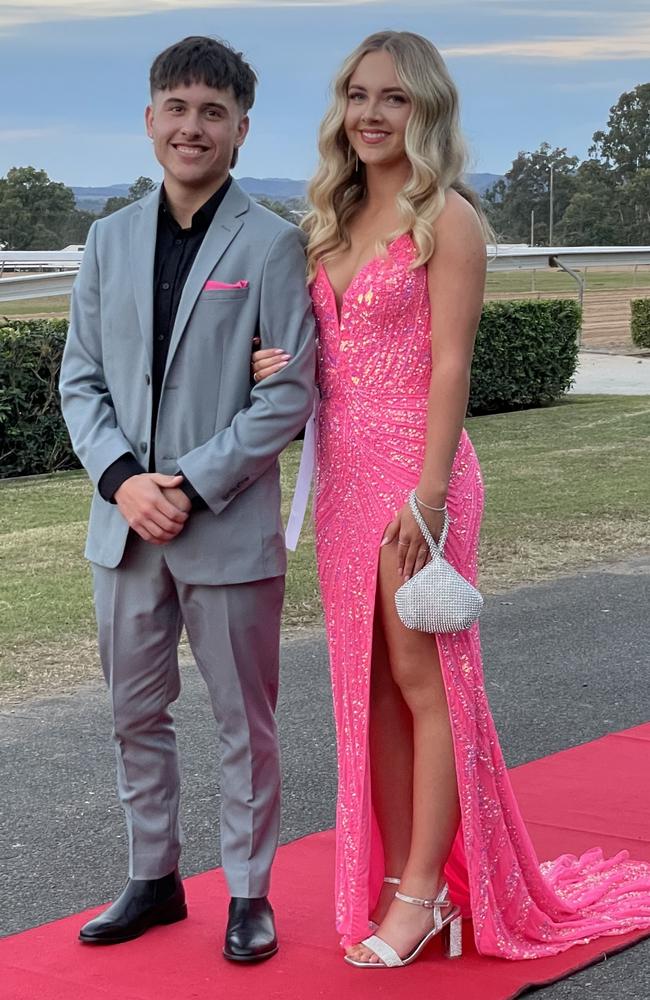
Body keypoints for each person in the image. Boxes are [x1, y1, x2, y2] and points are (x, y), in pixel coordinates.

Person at [252, 30, 650, 968]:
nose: (372, 114)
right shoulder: (331, 219)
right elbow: (331, 360)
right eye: (357, 95)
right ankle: (402, 883)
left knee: (426, 682)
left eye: (393, 97)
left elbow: (450, 364)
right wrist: (284, 367)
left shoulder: (450, 220)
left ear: (426, 108)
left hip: (417, 477)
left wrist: (427, 492)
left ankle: (428, 894)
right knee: (373, 693)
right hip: (344, 478)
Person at [60, 36, 315, 963]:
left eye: (212, 112)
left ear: (242, 128)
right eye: (177, 108)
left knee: (243, 720)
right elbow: (80, 381)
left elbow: (287, 393)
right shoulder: (106, 238)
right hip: (124, 529)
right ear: (150, 120)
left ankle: (249, 891)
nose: (192, 126)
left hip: (228, 526)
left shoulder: (276, 243)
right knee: (135, 711)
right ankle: (154, 878)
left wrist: (191, 485)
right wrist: (126, 483)